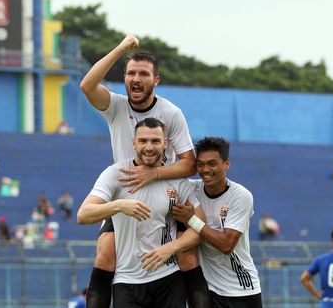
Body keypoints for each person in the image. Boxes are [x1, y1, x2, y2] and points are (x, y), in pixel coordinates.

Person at [79, 34, 208, 307]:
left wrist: (154, 174)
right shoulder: (115, 106)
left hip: (166, 194)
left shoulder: (171, 113)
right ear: (124, 77)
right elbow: (87, 85)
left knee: (186, 256)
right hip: (125, 192)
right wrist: (122, 48)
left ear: (155, 80)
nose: (136, 78)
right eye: (131, 73)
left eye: (144, 74)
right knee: (105, 252)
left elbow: (189, 163)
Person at [77, 118, 206, 307]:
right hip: (127, 281)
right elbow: (83, 215)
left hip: (168, 279)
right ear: (133, 143)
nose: (149, 147)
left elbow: (200, 228)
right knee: (104, 253)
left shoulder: (178, 182)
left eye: (155, 141)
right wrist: (119, 205)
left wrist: (171, 248)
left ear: (165, 144)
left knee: (190, 256)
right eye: (143, 141)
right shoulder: (115, 174)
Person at [172, 137, 263, 307]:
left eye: (212, 164)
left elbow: (226, 245)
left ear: (226, 164)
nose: (205, 170)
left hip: (241, 289)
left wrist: (191, 219)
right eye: (200, 164)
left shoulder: (240, 196)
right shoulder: (191, 189)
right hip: (208, 291)